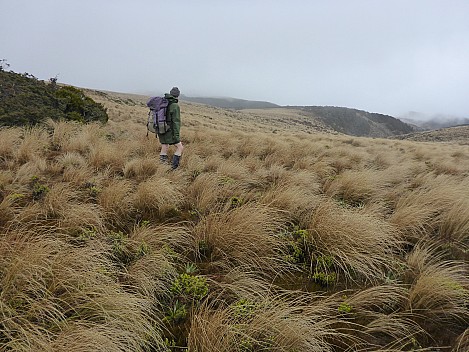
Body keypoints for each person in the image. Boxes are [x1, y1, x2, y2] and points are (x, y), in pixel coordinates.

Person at [158, 87, 183, 169]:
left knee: (165, 146)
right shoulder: (175, 106)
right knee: (180, 147)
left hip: (161, 128)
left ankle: (162, 167)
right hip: (169, 130)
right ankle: (174, 168)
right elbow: (176, 122)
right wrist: (176, 136)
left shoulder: (164, 102)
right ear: (178, 95)